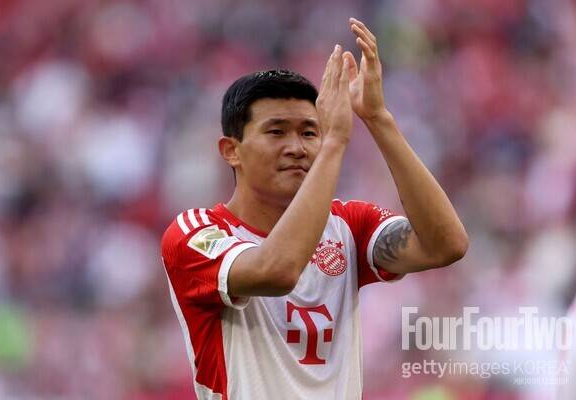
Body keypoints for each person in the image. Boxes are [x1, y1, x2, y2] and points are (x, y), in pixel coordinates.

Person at [161, 18, 468, 400]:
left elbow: (447, 245)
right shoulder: (195, 233)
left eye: (309, 132)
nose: (297, 147)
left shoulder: (348, 225)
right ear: (231, 150)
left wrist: (379, 120)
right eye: (276, 132)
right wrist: (334, 142)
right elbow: (277, 270)